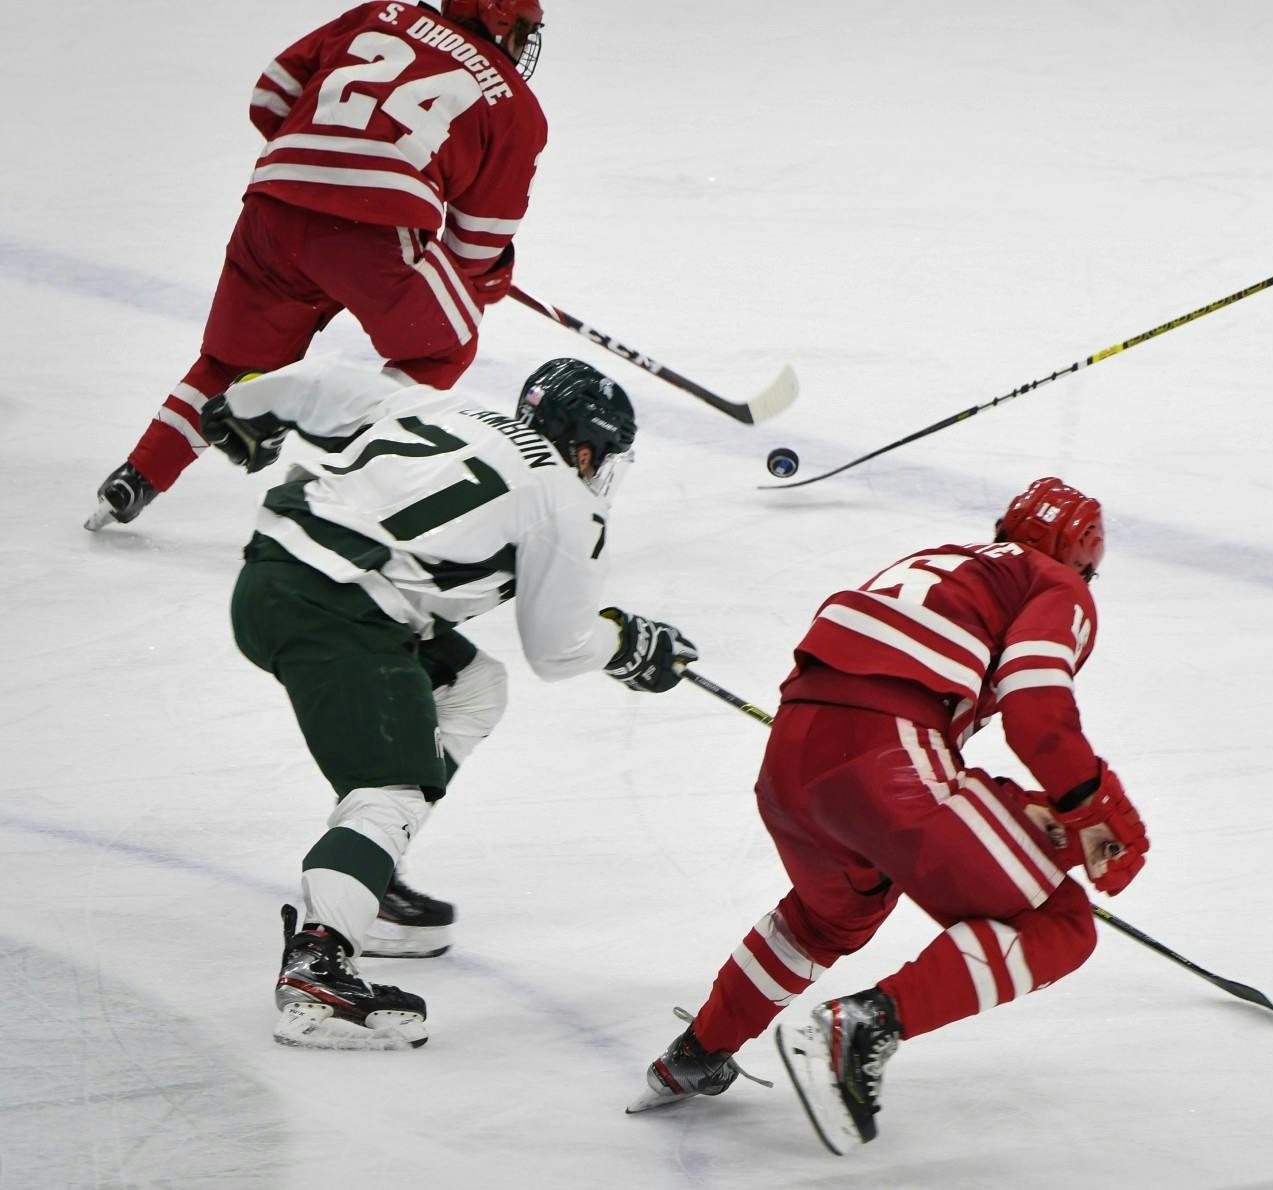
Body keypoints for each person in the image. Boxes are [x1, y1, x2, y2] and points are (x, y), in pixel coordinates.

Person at [625, 478, 1149, 1154]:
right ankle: (865, 1026)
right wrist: (1094, 803)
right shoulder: (1056, 584)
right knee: (1061, 921)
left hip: (791, 762)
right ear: (1081, 561)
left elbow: (935, 765)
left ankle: (698, 1051)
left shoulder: (948, 563)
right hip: (885, 753)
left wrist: (1044, 817)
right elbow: (1035, 708)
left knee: (831, 916)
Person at [206, 353, 699, 1050]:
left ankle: (368, 874)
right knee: (392, 788)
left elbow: (329, 383)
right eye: (605, 455)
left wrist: (246, 406)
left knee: (473, 686)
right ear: (585, 446)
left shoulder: (447, 406)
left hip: (269, 580)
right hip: (338, 614)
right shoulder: (566, 498)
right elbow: (557, 649)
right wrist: (627, 644)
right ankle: (320, 964)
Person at [88, 0, 548, 532]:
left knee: (231, 359)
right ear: (500, 20)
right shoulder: (516, 105)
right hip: (374, 235)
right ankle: (353, 478)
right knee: (446, 340)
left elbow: (270, 95)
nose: (524, 42)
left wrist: (323, 163)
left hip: (273, 209)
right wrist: (489, 278)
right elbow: (475, 252)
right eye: (524, 29)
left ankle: (138, 473)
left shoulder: (382, 14)